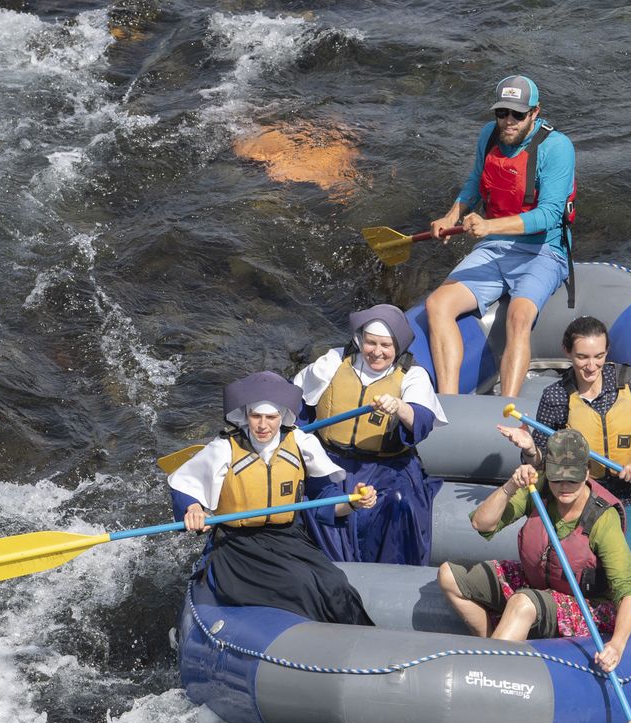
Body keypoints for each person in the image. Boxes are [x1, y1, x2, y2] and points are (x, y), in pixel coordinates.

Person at [167, 371, 377, 625]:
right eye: (256, 416)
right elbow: (183, 485)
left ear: (283, 417)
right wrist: (193, 508)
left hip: (289, 538)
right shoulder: (223, 448)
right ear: (246, 416)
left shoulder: (301, 444)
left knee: (337, 586)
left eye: (271, 417)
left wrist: (353, 503)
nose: (263, 425)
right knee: (299, 585)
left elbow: (326, 500)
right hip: (238, 544)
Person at [437, 429, 631, 672]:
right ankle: (493, 648)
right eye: (556, 479)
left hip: (586, 604)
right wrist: (511, 486)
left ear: (587, 473)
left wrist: (617, 645)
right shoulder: (539, 488)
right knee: (449, 575)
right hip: (539, 585)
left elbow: (627, 591)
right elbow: (481, 523)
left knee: (523, 602)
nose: (564, 487)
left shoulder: (602, 518)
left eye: (572, 479)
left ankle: (488, 669)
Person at [426, 74, 576, 398]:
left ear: (535, 113)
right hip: (495, 247)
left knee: (518, 316)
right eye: (502, 113)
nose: (508, 121)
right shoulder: (489, 135)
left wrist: (489, 226)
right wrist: (452, 215)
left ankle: (505, 410)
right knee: (437, 304)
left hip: (543, 252)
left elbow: (549, 215)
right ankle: (449, 404)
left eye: (518, 115)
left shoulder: (557, 147)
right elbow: (475, 181)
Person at [497, 316, 631, 549]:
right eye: (582, 357)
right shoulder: (556, 396)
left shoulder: (630, 382)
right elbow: (541, 462)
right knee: (576, 552)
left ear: (607, 351)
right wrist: (531, 448)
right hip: (585, 495)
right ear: (567, 352)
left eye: (599, 356)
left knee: (611, 550)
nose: (591, 366)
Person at [293, 303, 447, 565]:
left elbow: (421, 420)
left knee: (399, 504)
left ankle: (388, 575)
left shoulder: (413, 375)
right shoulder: (333, 362)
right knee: (312, 502)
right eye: (371, 343)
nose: (377, 352)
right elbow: (296, 404)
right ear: (359, 339)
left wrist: (400, 407)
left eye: (385, 346)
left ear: (397, 345)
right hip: (328, 461)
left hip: (387, 468)